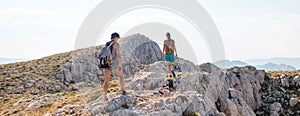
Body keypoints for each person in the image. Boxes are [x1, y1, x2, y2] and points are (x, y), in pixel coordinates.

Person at [101, 32, 126, 101]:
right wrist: (120, 64)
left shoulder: (107, 44)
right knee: (121, 76)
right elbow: (118, 55)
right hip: (114, 62)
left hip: (106, 63)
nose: (118, 39)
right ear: (116, 38)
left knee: (106, 80)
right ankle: (123, 91)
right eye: (117, 38)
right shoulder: (116, 44)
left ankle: (105, 96)